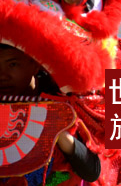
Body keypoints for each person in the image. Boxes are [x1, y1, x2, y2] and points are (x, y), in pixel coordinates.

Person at [0, 44, 102, 183]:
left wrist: (57, 130)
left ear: (36, 64)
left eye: (13, 64)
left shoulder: (68, 98)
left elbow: (92, 171)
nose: (2, 75)